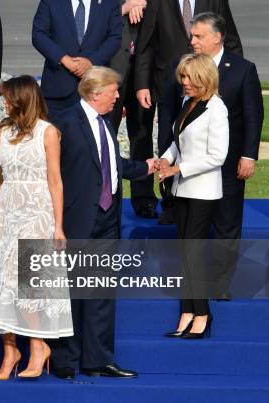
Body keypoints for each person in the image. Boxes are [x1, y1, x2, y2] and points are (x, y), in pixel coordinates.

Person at [50, 67, 155, 379]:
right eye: (114, 91)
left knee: (100, 291)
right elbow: (53, 173)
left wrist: (144, 169)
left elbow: (110, 164)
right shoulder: (65, 122)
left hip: (108, 218)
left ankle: (98, 360)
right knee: (71, 290)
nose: (118, 96)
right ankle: (64, 360)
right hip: (76, 218)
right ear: (96, 93)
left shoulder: (106, 122)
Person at [0, 76, 73, 380]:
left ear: (23, 98)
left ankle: (38, 345)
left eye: (8, 97)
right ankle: (9, 352)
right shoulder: (2, 131)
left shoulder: (49, 132)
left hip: (37, 210)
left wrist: (58, 226)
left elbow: (55, 180)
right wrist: (0, 211)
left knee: (24, 282)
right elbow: (0, 176)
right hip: (6, 209)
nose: (4, 102)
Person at [162, 13, 263, 300]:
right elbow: (173, 116)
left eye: (198, 36)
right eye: (192, 36)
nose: (192, 41)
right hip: (192, 166)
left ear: (217, 37)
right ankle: (193, 282)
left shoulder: (243, 69)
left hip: (230, 163)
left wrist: (249, 155)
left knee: (227, 222)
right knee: (192, 226)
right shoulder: (183, 68)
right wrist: (167, 156)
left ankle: (218, 285)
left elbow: (254, 115)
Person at [134, 0, 242, 225]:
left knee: (200, 142)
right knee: (170, 139)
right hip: (169, 86)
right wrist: (142, 84)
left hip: (204, 87)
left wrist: (231, 80)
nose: (192, 42)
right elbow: (145, 44)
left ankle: (205, 203)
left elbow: (230, 39)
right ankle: (171, 203)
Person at [159, 53, 229, 338]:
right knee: (185, 252)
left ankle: (202, 313)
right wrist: (165, 159)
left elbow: (218, 155)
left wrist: (179, 168)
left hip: (203, 192)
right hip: (182, 189)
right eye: (182, 77)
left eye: (188, 77)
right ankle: (188, 310)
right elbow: (178, 141)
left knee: (194, 252)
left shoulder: (216, 108)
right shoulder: (189, 104)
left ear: (203, 77)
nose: (183, 82)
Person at [107, 0, 159, 219]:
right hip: (111, 67)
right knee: (105, 135)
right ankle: (107, 195)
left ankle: (144, 197)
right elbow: (93, 18)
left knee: (142, 134)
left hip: (145, 68)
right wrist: (125, 8)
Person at [32, 0, 122, 119]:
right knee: (55, 134)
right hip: (58, 87)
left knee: (91, 136)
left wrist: (91, 62)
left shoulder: (109, 3)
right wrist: (64, 59)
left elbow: (115, 38)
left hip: (95, 88)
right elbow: (38, 34)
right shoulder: (51, 2)